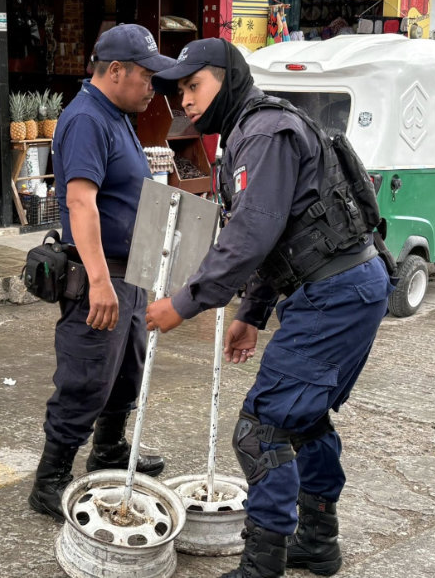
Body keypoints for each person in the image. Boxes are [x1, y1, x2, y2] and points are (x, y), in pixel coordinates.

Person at [145, 38, 392, 578]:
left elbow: (250, 235)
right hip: (344, 287)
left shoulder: (264, 131)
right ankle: (317, 543)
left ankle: (263, 565)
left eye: (194, 85)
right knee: (302, 420)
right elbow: (276, 232)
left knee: (261, 430)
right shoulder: (249, 132)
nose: (184, 100)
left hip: (335, 292)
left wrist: (184, 304)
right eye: (179, 91)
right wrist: (250, 315)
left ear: (228, 77)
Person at [28, 24, 176, 521]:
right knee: (86, 376)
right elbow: (79, 202)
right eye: (146, 76)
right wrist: (97, 281)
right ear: (115, 71)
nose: (152, 87)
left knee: (125, 373)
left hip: (129, 271)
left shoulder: (117, 115)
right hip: (102, 272)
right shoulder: (88, 119)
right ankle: (49, 482)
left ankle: (109, 451)